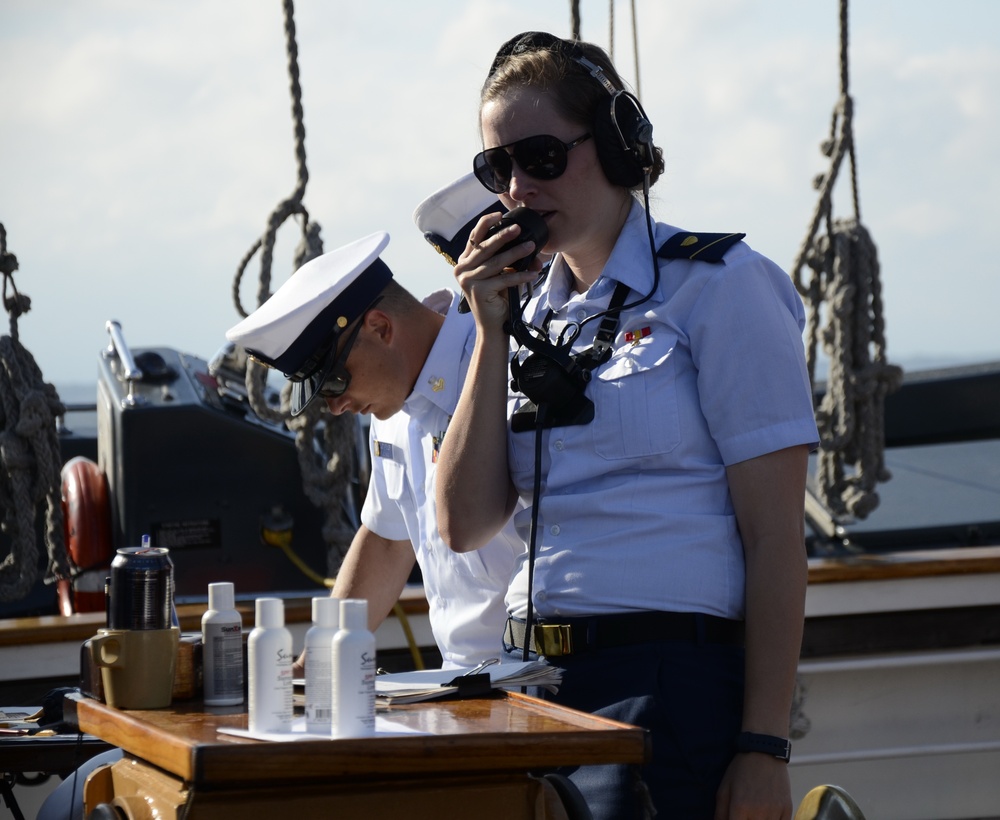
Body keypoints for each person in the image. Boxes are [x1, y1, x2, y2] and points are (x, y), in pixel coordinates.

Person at [435, 31, 820, 820]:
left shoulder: (722, 287)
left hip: (666, 686)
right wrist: (490, 328)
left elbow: (777, 536)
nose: (516, 187)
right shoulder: (525, 316)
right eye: (496, 168)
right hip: (533, 686)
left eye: (540, 156)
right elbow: (464, 522)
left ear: (616, 145)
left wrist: (763, 746)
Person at [226, 180, 524, 671]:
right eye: (322, 395)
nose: (337, 406)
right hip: (463, 679)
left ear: (381, 329)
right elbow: (387, 538)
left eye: (335, 382)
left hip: (538, 675)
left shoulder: (500, 365)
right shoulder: (390, 411)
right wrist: (319, 658)